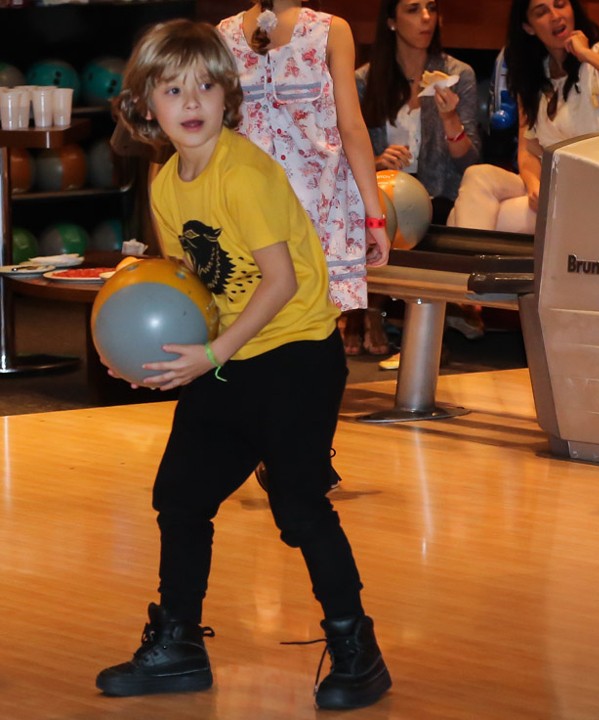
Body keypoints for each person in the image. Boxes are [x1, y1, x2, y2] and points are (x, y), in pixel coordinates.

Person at [95, 20, 391, 711]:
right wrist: (148, 358)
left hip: (296, 356)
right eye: (173, 89)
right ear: (147, 104)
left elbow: (280, 283)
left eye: (206, 86)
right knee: (181, 498)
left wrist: (211, 356)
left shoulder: (245, 171)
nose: (191, 101)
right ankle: (178, 646)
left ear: (229, 97)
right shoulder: (168, 184)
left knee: (298, 505)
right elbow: (193, 290)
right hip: (230, 357)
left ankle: (357, 649)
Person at [218, 0, 391, 483]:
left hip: (294, 205)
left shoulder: (324, 30)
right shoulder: (235, 33)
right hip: (278, 205)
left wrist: (374, 215)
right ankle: (287, 448)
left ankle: (299, 450)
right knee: (286, 332)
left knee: (295, 334)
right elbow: (350, 127)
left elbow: (351, 125)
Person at [343, 0, 483, 366]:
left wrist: (450, 119)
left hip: (437, 192)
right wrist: (377, 160)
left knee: (426, 217)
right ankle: (369, 313)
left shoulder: (457, 74)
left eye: (431, 8)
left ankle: (394, 323)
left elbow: (470, 160)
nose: (426, 18)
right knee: (371, 211)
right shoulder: (363, 80)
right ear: (391, 21)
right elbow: (341, 152)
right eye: (412, 9)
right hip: (380, 189)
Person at [448, 0, 599, 234]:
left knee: (458, 217)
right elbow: (528, 151)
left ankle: (465, 268)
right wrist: (534, 186)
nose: (555, 15)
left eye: (560, 4)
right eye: (542, 12)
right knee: (477, 176)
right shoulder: (534, 78)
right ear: (528, 27)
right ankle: (469, 267)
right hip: (555, 188)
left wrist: (585, 54)